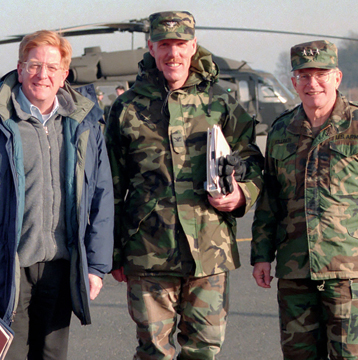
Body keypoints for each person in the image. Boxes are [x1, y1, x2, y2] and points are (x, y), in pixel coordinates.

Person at [0, 30, 114, 360]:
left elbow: (102, 195)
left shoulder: (84, 125)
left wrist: (96, 264)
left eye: (52, 68)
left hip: (60, 267)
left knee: (52, 356)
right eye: (34, 65)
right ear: (20, 69)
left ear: (65, 74)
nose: (43, 75)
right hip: (8, 269)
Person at [105, 11, 263, 360]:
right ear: (151, 47)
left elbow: (252, 162)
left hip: (210, 253)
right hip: (147, 254)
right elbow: (110, 187)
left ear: (193, 46)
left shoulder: (221, 103)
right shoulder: (126, 108)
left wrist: (240, 195)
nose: (172, 54)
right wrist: (113, 253)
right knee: (153, 352)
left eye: (180, 44)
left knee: (204, 351)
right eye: (164, 45)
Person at [251, 40, 358, 360]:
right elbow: (270, 199)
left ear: (337, 77)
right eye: (303, 76)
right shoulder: (281, 131)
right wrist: (261, 254)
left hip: (349, 268)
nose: (312, 83)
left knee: (350, 355)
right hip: (294, 269)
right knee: (298, 355)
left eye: (321, 74)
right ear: (293, 82)